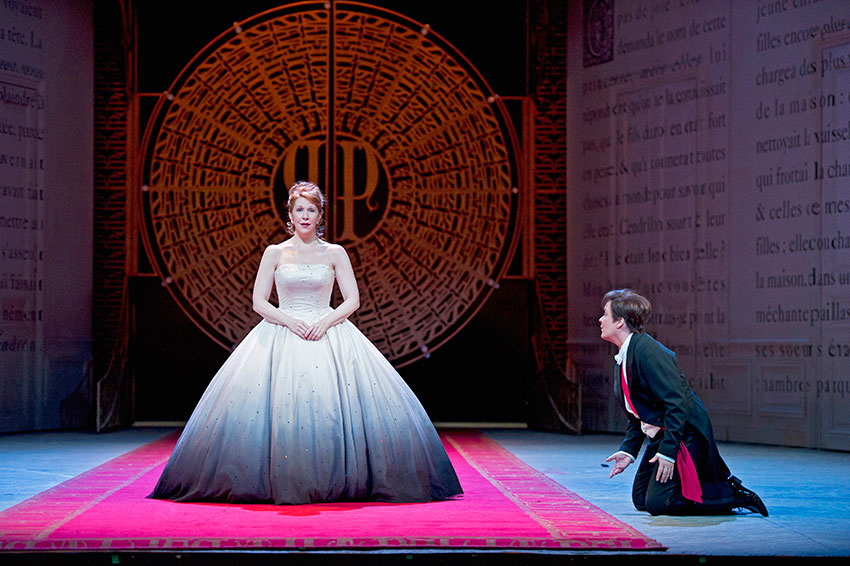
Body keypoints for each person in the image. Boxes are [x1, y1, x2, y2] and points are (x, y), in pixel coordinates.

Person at [148, 181, 462, 504]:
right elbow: (259, 301)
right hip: (284, 331)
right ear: (290, 213)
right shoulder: (275, 253)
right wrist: (288, 320)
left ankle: (336, 480)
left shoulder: (335, 253)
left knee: (332, 411)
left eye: (311, 209)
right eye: (300, 209)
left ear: (320, 214)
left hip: (327, 331)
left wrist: (325, 321)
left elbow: (352, 299)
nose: (305, 216)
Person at [600, 289, 768, 517]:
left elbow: (678, 402)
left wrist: (668, 452)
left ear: (620, 322)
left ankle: (731, 495)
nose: (601, 320)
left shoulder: (648, 351)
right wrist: (628, 451)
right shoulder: (626, 355)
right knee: (642, 500)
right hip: (663, 434)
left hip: (685, 433)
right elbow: (638, 411)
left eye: (605, 315)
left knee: (658, 505)